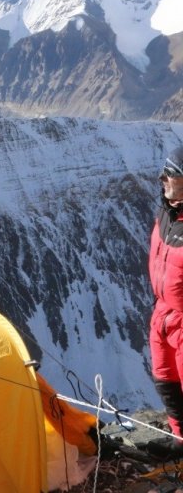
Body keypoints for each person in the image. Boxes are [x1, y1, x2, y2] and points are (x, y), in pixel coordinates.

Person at [147, 146, 183, 459]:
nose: (163, 178)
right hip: (163, 311)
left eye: (171, 174)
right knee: (165, 378)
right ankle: (180, 438)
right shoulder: (166, 213)